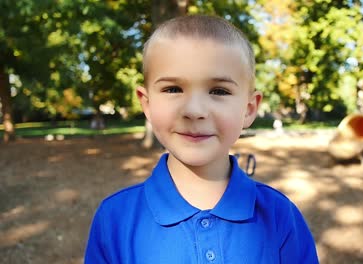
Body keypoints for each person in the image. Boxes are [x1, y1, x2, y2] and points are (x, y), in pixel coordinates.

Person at [85, 14, 320, 263]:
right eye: (173, 89)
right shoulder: (115, 219)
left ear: (249, 109)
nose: (194, 111)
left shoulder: (279, 216)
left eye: (219, 91)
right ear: (147, 104)